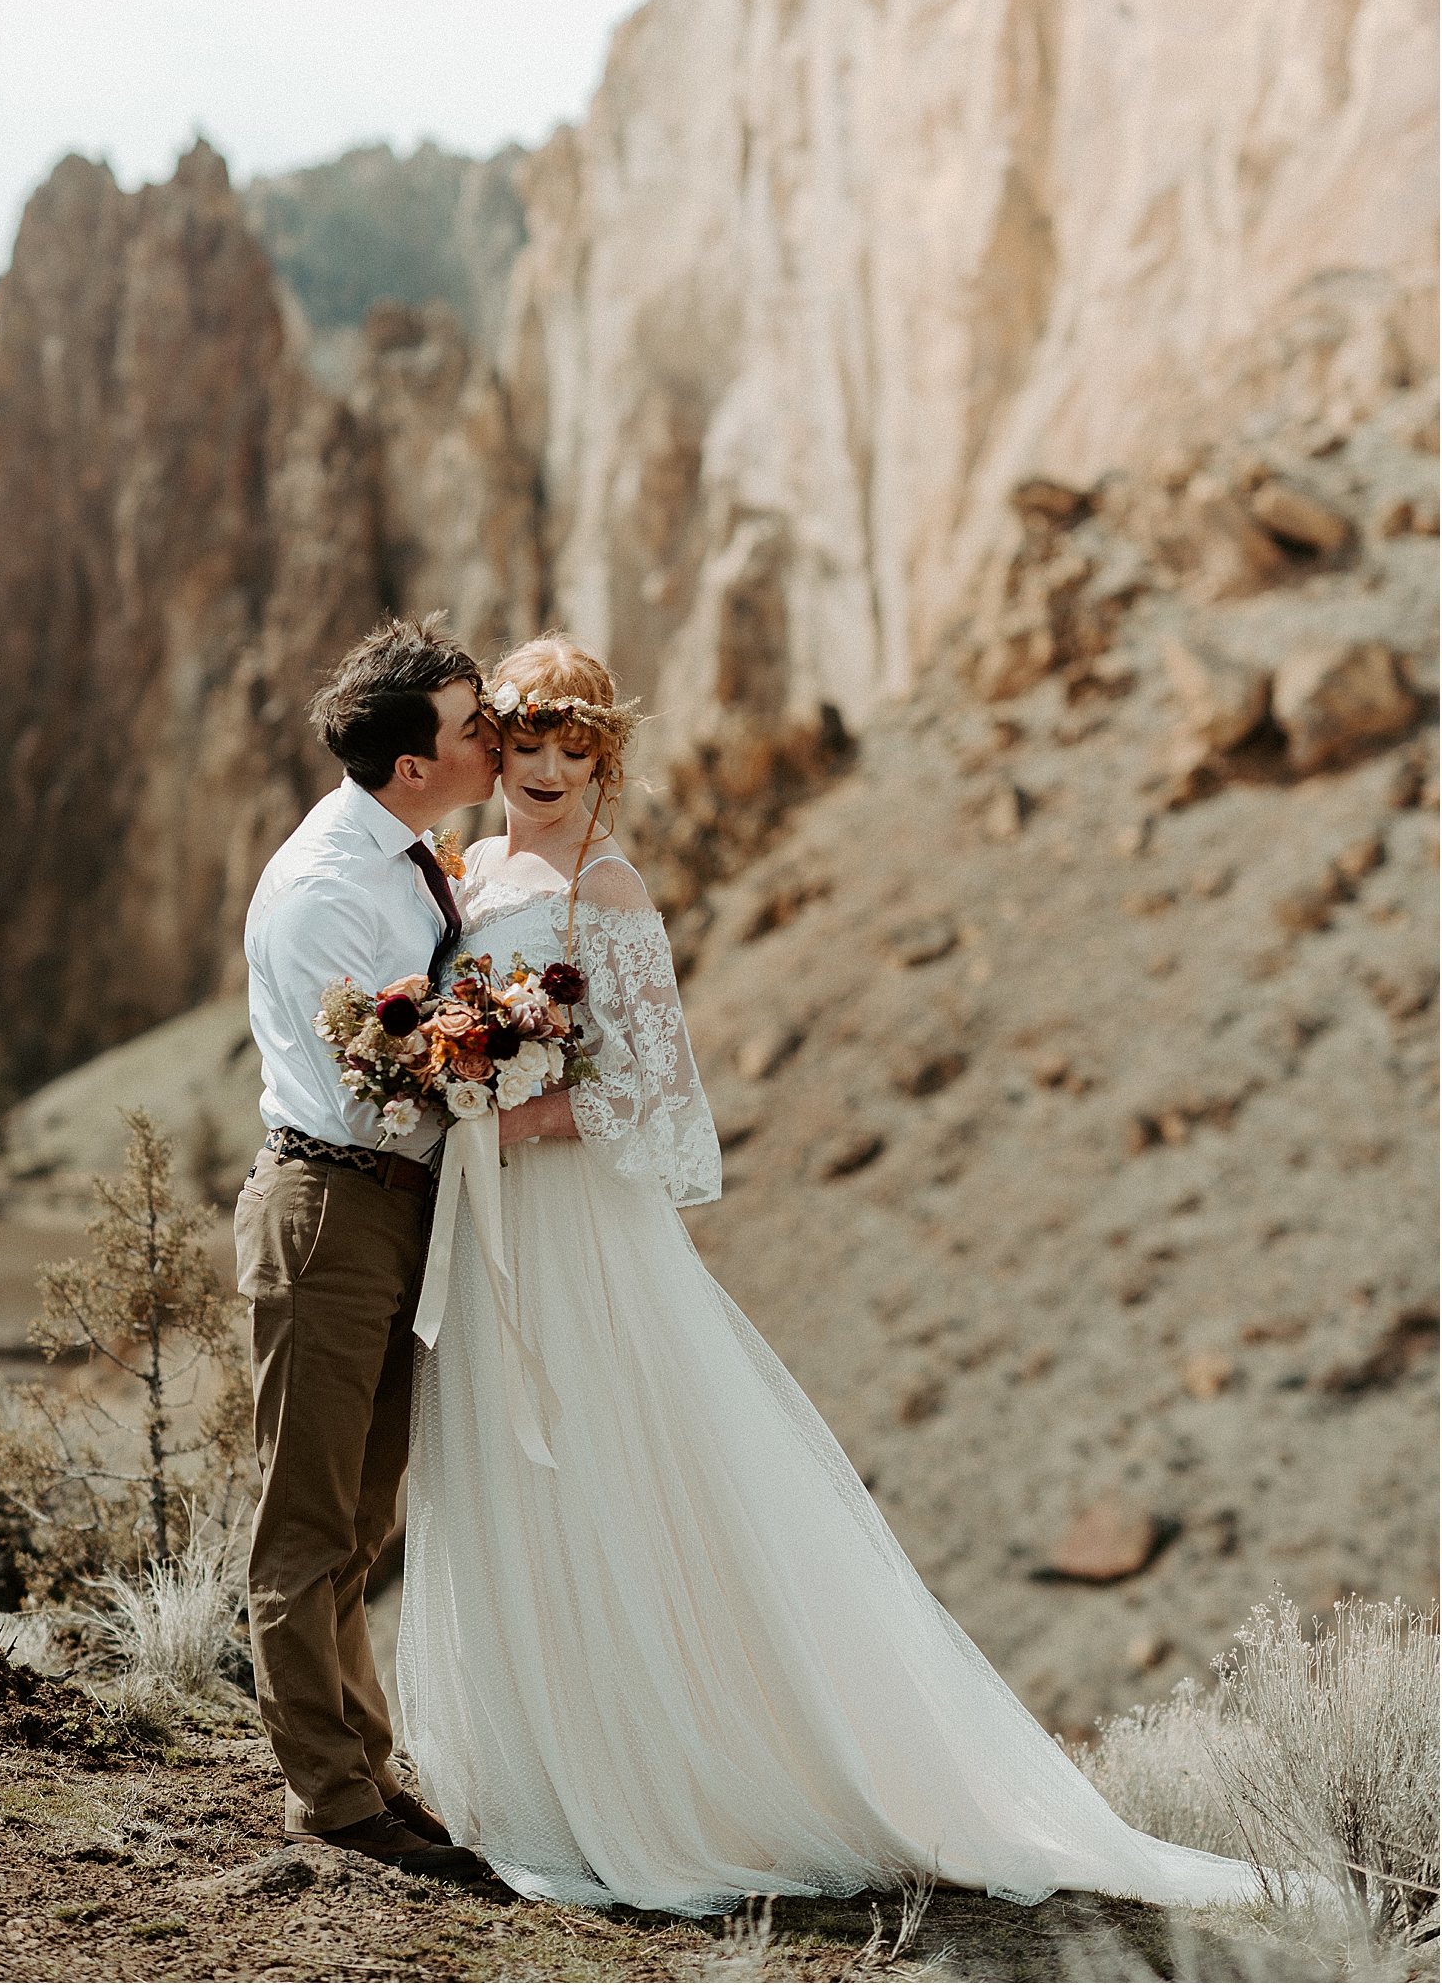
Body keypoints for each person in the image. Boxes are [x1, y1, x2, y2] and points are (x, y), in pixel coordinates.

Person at [396, 632, 1268, 1917]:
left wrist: (518, 1107)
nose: (542, 772)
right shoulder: (470, 871)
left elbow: (658, 1091)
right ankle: (535, 1774)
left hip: (576, 1229)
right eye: (524, 749)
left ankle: (674, 1784)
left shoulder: (610, 890)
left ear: (603, 761)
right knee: (503, 1478)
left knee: (603, 1469)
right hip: (489, 1230)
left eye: (568, 754)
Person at [237, 613, 498, 1877]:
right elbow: (371, 1090)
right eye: (471, 724)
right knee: (308, 1519)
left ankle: (365, 1763)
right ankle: (332, 1799)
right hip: (332, 1205)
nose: (492, 737)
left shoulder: (406, 851)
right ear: (415, 765)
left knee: (365, 1511)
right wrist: (497, 1060)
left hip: (397, 1208)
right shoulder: (326, 890)